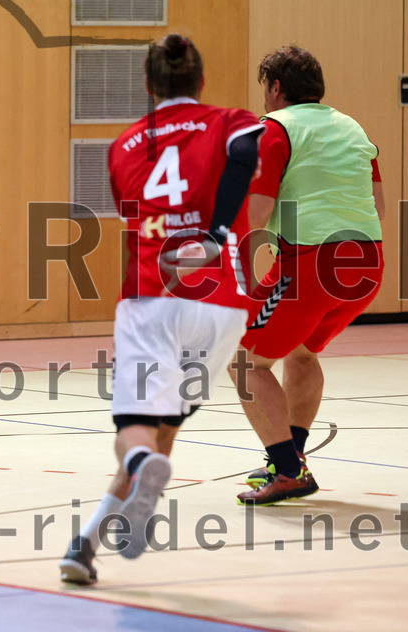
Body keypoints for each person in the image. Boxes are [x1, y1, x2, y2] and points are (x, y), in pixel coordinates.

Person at [60, 34, 264, 584]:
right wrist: (219, 231)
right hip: (221, 303)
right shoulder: (227, 120)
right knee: (162, 432)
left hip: (152, 294)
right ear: (200, 81)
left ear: (149, 86)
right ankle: (87, 544)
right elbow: (250, 150)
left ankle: (129, 485)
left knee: (134, 429)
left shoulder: (124, 144)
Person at [232, 45, 384, 505]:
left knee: (244, 362)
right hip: (367, 262)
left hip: (311, 263)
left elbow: (256, 217)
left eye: (265, 87)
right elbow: (376, 205)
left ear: (275, 88)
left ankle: (286, 469)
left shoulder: (275, 130)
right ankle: (292, 458)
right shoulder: (353, 127)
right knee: (301, 353)